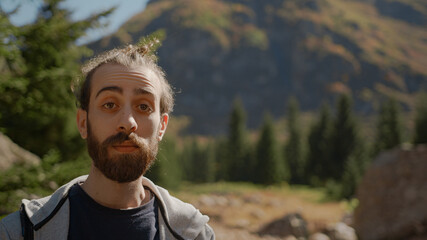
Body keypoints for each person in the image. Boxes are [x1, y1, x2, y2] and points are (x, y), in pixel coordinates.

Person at [0, 40, 215, 240]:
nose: (128, 122)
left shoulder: (195, 234)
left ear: (162, 126)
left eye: (143, 107)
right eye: (110, 105)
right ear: (83, 122)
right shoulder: (20, 232)